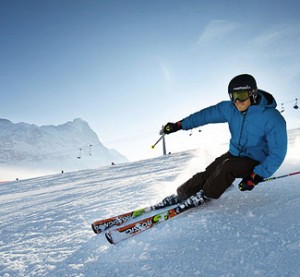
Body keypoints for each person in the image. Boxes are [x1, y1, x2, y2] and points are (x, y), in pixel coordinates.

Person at [162, 74, 287, 207]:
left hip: (255, 160)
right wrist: (180, 125)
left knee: (227, 168)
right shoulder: (230, 108)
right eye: (233, 96)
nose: (237, 101)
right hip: (234, 153)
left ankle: (205, 195)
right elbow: (204, 116)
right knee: (211, 171)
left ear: (253, 93)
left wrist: (256, 176)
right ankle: (182, 194)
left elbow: (277, 153)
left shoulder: (272, 118)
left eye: (242, 95)